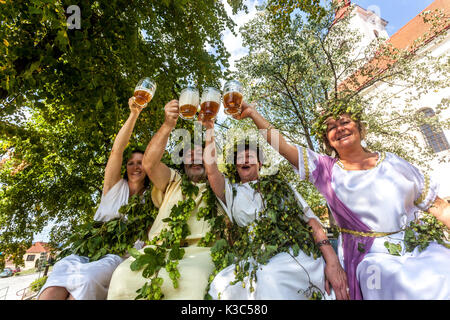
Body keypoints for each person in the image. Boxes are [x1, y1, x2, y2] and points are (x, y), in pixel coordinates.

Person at [234, 100, 450, 300]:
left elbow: (439, 208)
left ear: (360, 127)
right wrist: (253, 114)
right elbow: (281, 146)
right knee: (399, 284)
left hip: (418, 247)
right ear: (327, 140)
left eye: (345, 121)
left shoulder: (395, 163)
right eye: (331, 127)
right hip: (372, 257)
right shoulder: (325, 169)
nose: (340, 129)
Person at [201, 118, 349, 300]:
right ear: (236, 166)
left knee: (269, 278)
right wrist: (209, 129)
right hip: (255, 257)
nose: (244, 160)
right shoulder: (232, 193)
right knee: (221, 285)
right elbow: (211, 171)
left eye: (250, 156)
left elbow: (310, 220)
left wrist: (332, 260)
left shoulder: (280, 186)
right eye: (239, 158)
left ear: (260, 163)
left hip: (293, 252)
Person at [107, 100, 220, 300]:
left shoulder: (219, 186)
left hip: (200, 253)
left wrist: (209, 129)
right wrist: (168, 124)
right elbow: (149, 163)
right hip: (157, 249)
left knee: (194, 281)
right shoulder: (173, 180)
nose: (194, 159)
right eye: (189, 156)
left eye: (200, 155)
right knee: (122, 277)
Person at [38, 97, 149, 300]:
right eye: (131, 162)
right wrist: (134, 114)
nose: (135, 167)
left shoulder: (150, 199)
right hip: (89, 246)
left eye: (141, 162)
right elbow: (117, 150)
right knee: (60, 275)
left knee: (88, 277)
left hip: (118, 255)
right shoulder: (114, 186)